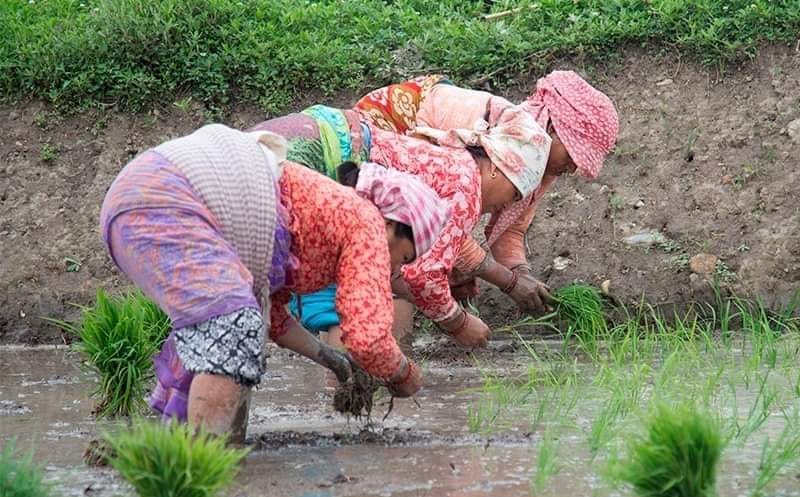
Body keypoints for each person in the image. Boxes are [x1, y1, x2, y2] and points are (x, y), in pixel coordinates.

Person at [99, 125, 448, 442]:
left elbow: (271, 321)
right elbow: (368, 338)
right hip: (169, 199)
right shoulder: (366, 222)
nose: (393, 271)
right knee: (232, 326)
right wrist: (405, 375)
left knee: (233, 326)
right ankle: (201, 467)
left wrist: (333, 360)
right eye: (403, 257)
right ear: (392, 226)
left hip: (132, 198)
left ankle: (179, 452)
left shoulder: (310, 215)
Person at [250, 103, 562, 348]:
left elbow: (427, 260)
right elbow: (421, 275)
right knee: (358, 293)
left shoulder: (450, 164)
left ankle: (344, 393)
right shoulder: (465, 189)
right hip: (318, 157)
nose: (505, 205)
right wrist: (458, 323)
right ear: (497, 168)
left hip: (304, 134)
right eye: (513, 194)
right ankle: (346, 398)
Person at [355, 70, 619, 302]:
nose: (573, 168)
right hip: (379, 140)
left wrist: (520, 275)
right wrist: (506, 281)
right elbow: (440, 222)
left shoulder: (537, 165)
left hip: (417, 187)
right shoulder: (491, 124)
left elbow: (512, 229)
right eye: (573, 155)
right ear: (552, 127)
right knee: (382, 268)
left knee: (419, 267)